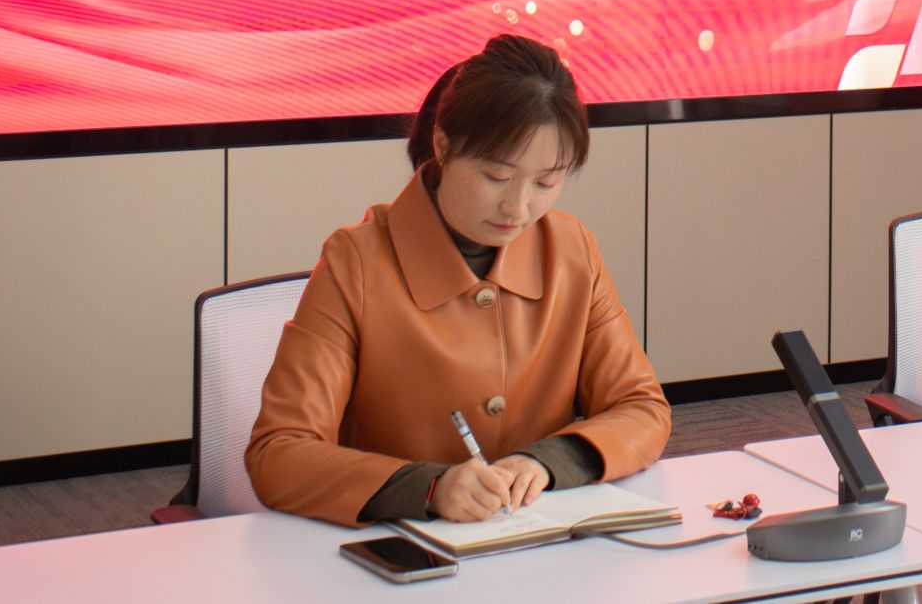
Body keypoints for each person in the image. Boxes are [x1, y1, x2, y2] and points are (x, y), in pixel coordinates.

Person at [247, 34, 670, 527]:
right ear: (443, 145)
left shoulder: (572, 250)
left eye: (546, 182)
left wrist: (547, 462)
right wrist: (430, 487)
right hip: (403, 544)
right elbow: (279, 453)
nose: (518, 208)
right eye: (496, 177)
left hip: (536, 537)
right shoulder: (356, 262)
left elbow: (642, 409)